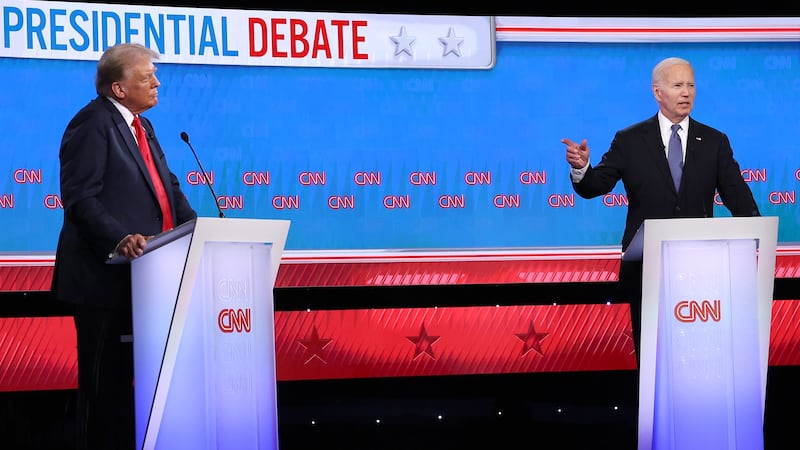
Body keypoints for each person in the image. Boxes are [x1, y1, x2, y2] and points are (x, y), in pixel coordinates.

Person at [561, 56, 760, 358]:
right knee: (653, 355)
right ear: (658, 92)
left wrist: (757, 233)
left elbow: (737, 196)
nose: (687, 92)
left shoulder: (714, 141)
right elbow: (595, 186)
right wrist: (582, 167)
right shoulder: (629, 140)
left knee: (699, 353)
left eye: (691, 85)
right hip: (647, 270)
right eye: (678, 85)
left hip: (702, 269)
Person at [51, 43, 197, 450]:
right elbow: (80, 198)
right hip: (103, 282)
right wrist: (119, 237)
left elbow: (168, 190)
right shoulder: (92, 124)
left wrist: (198, 231)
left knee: (134, 391)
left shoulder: (142, 126)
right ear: (118, 88)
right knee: (103, 391)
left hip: (147, 282)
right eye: (147, 76)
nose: (157, 82)